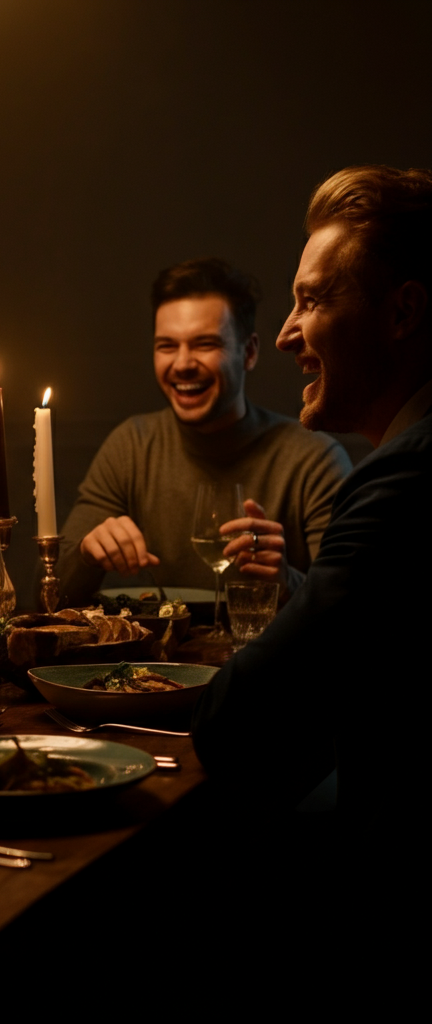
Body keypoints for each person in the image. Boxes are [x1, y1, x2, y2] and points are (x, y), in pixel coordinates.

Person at [193, 165, 432, 819]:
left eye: (314, 300)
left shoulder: (404, 481)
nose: (284, 335)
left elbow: (237, 722)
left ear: (403, 312)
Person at [57, 258, 352, 604]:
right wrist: (86, 557)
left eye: (205, 344)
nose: (182, 364)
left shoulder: (315, 460)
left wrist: (286, 580)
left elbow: (352, 612)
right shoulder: (131, 447)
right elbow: (48, 593)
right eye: (167, 346)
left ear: (250, 352)